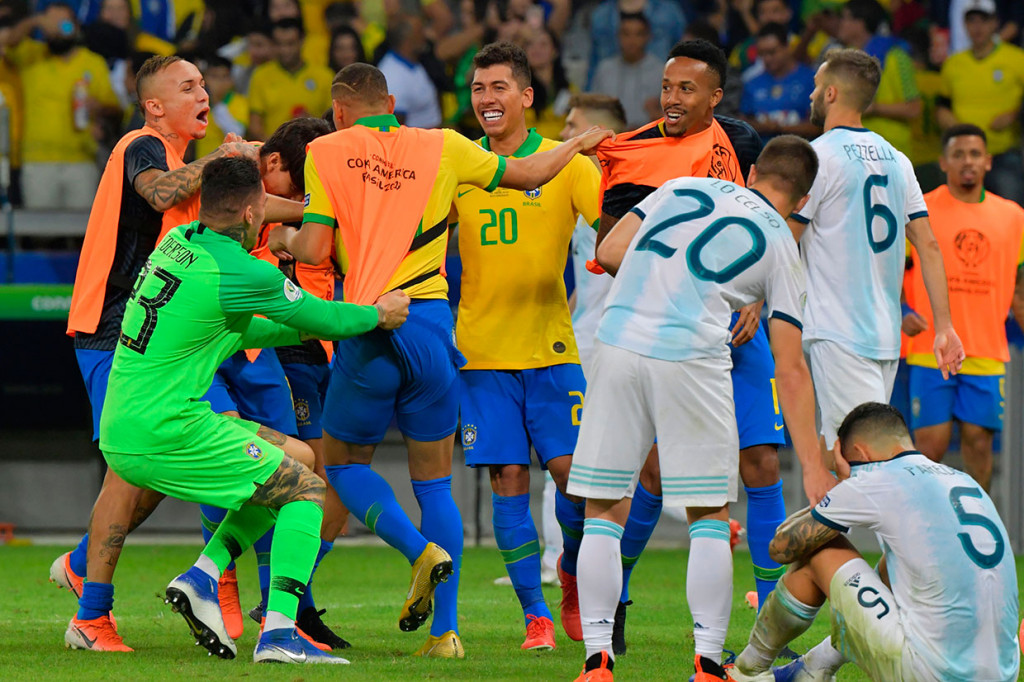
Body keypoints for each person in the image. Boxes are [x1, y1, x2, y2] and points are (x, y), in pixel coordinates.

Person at [267, 63, 611, 658]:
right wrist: (580, 142)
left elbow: (318, 245)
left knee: (342, 465)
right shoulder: (445, 146)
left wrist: (279, 237)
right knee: (436, 485)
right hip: (434, 327)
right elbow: (530, 170)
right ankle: (445, 633)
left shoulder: (326, 150)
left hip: (372, 320)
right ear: (392, 102)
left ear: (341, 111)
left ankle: (417, 551)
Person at [100, 155, 409, 665]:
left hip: (131, 421)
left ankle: (202, 577)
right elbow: (323, 313)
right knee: (308, 490)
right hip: (166, 429)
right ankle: (280, 633)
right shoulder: (241, 269)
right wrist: (378, 314)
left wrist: (304, 327)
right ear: (252, 212)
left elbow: (246, 330)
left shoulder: (179, 244)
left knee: (292, 468)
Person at [52, 55, 296, 652]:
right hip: (114, 332)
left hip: (152, 342)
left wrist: (328, 205)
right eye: (187, 87)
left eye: (205, 85)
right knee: (130, 469)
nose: (202, 94)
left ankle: (90, 564)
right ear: (155, 105)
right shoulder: (141, 145)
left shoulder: (191, 169)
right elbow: (159, 195)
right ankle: (93, 614)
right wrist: (224, 156)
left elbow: (251, 211)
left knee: (153, 467)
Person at [593, 39, 826, 655]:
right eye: (667, 87)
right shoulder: (634, 150)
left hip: (737, 333)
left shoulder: (744, 143)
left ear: (714, 97)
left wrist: (749, 297)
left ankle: (771, 613)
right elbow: (615, 250)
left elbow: (765, 236)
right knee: (653, 470)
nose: (672, 98)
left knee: (763, 464)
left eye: (686, 89)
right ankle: (615, 596)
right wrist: (692, 290)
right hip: (672, 333)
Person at [451, 42, 600, 652]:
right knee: (508, 478)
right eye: (478, 89)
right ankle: (535, 617)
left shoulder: (568, 164)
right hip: (482, 354)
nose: (486, 99)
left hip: (553, 347)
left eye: (498, 88)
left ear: (526, 96)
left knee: (574, 481)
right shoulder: (460, 164)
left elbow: (613, 228)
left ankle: (568, 575)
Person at [730, 402, 1020, 682]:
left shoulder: (876, 479)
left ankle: (748, 671)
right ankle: (813, 668)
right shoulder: (963, 481)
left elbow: (781, 547)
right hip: (1004, 672)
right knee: (891, 567)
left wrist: (843, 485)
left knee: (819, 548)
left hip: (931, 673)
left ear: (859, 453)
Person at [787, 47, 965, 459]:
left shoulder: (819, 156)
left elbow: (786, 237)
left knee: (857, 457)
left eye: (815, 86)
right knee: (850, 452)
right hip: (884, 336)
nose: (810, 95)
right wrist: (944, 326)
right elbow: (929, 244)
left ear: (831, 94)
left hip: (838, 331)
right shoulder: (898, 160)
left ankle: (905, 525)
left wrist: (753, 297)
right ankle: (837, 522)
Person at [904, 124, 1024, 491]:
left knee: (979, 442)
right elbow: (892, 268)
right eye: (958, 154)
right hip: (930, 346)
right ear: (943, 162)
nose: (967, 162)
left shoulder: (1014, 216)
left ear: (988, 161)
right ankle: (921, 535)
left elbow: (1019, 285)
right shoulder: (920, 209)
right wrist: (900, 313)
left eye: (974, 154)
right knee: (930, 447)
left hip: (986, 348)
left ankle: (978, 536)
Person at [12, 3, 120, 209]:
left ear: (77, 28)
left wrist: (98, 108)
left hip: (81, 161)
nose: (57, 31)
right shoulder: (30, 55)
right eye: (51, 24)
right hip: (38, 162)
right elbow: (8, 41)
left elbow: (115, 110)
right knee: (41, 233)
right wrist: (35, 21)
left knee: (81, 232)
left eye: (65, 26)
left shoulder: (93, 62)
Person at [936, 0, 1024, 206]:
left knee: (1011, 213)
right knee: (959, 213)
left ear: (995, 23)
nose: (977, 27)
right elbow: (942, 106)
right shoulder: (953, 64)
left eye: (984, 21)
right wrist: (954, 127)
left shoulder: (1017, 59)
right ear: (964, 25)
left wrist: (1015, 115)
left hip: (1003, 153)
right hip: (962, 158)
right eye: (971, 21)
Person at [835, 0, 921, 156]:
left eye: (845, 18)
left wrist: (874, 108)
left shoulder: (896, 56)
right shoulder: (845, 59)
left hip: (892, 151)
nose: (840, 23)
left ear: (860, 23)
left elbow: (914, 108)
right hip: (855, 150)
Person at [247, 18, 333, 140]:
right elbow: (255, 126)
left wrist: (313, 124)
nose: (285, 50)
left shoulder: (324, 76)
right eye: (279, 44)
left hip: (314, 150)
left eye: (290, 44)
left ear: (302, 41)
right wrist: (273, 149)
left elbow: (333, 122)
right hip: (274, 152)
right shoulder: (261, 75)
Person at [738, 23, 817, 140]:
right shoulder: (752, 83)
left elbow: (818, 127)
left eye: (772, 52)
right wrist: (762, 126)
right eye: (762, 54)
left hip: (799, 149)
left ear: (787, 47)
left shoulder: (811, 79)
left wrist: (781, 128)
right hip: (761, 153)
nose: (767, 58)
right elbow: (741, 123)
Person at [589, 13, 663, 129]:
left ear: (648, 37)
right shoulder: (605, 69)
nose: (631, 40)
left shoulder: (661, 71)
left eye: (638, 34)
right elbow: (592, 110)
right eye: (626, 34)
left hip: (648, 140)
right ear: (618, 36)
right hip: (609, 138)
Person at [377, 16, 441, 129]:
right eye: (420, 31)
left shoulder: (414, 62)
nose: (425, 35)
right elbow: (395, 130)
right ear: (407, 40)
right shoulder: (392, 77)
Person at [195, 55, 248, 159]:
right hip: (200, 164)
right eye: (214, 76)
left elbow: (238, 132)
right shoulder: (197, 102)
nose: (219, 82)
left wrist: (217, 103)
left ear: (231, 81)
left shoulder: (239, 101)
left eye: (224, 77)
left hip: (227, 164)